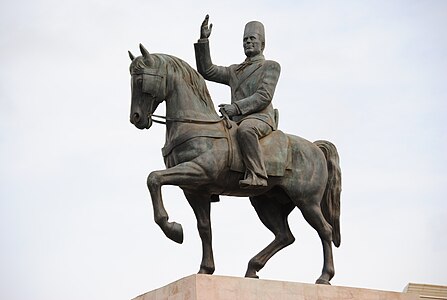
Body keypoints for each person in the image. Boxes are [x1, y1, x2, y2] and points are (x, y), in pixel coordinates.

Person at [194, 15, 281, 188]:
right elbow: (207, 70)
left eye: (252, 39)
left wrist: (235, 108)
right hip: (235, 120)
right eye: (245, 40)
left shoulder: (270, 66)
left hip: (260, 118)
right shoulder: (235, 70)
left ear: (262, 44)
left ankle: (258, 174)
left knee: (246, 131)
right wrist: (204, 40)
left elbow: (264, 96)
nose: (248, 42)